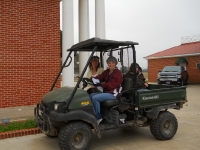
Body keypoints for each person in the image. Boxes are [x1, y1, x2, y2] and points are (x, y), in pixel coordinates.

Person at [90, 56, 123, 124]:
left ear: (115, 63)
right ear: (107, 64)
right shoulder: (107, 72)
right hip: (107, 92)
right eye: (109, 63)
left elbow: (112, 85)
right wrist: (93, 79)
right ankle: (95, 113)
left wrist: (101, 84)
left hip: (113, 94)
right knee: (91, 95)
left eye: (113, 63)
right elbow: (100, 77)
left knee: (95, 98)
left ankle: (98, 118)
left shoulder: (118, 73)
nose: (111, 64)